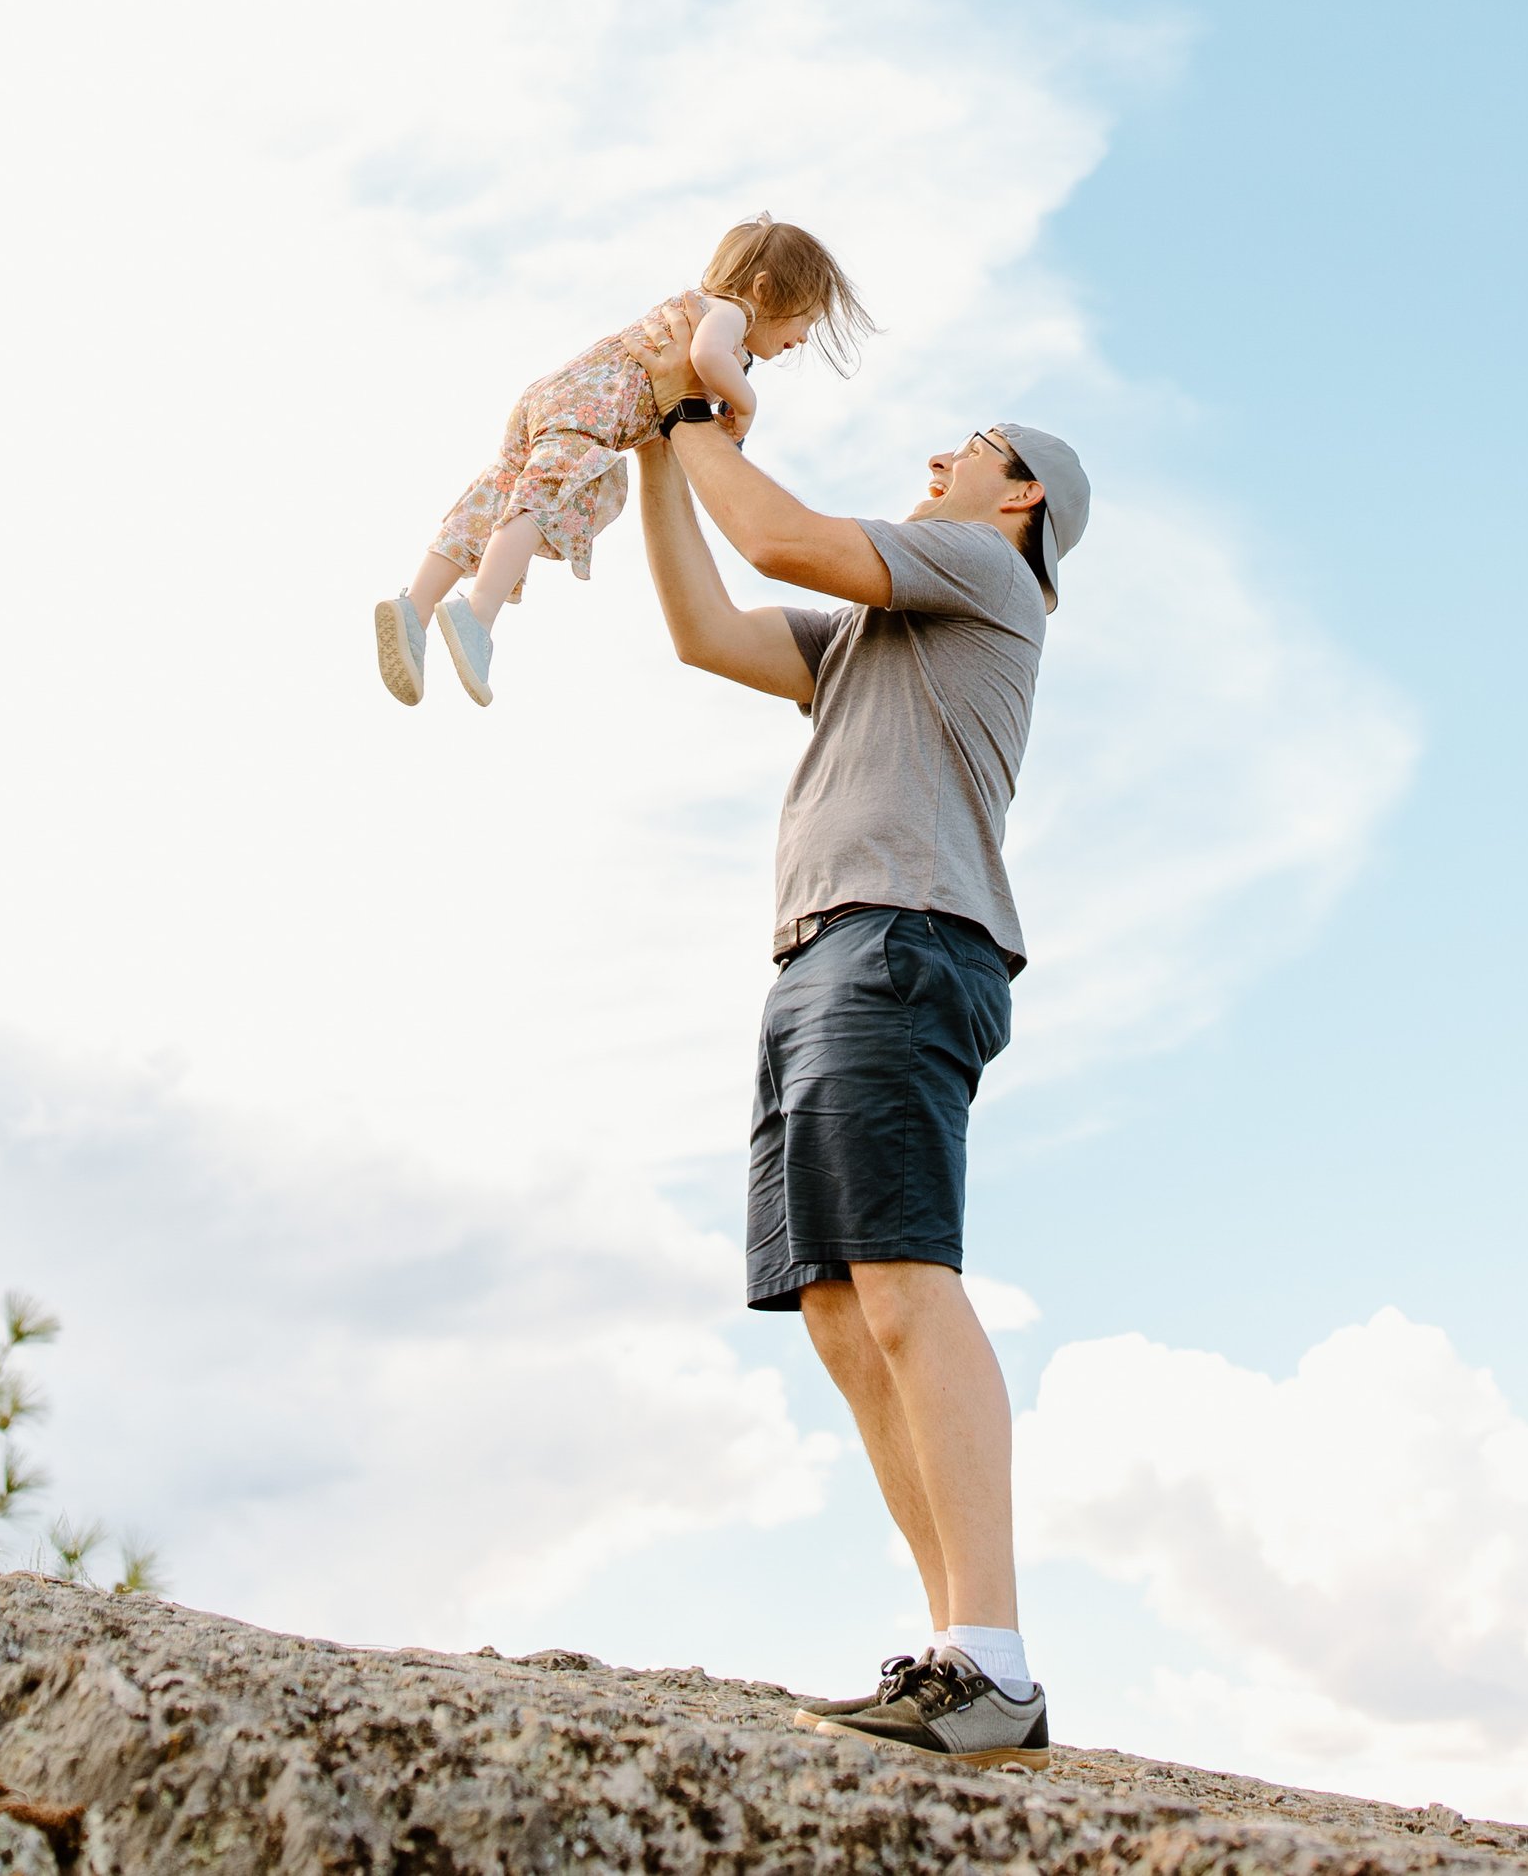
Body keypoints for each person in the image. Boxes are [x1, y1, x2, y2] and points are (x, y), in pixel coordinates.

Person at [631, 319, 1089, 1765]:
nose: (942, 452)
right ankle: (961, 1647)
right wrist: (660, 453)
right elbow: (708, 624)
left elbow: (773, 536)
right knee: (838, 1305)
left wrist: (701, 402)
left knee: (901, 1279)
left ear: (1020, 497)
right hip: (826, 953)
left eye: (973, 443)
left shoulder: (982, 568)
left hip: (902, 941)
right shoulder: (883, 630)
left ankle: (993, 1656)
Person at [374, 217, 871, 711]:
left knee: (494, 494)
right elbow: (707, 354)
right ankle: (478, 612)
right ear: (763, 290)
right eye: (806, 318)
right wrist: (746, 404)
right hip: (591, 411)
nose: (804, 337)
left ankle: (413, 608)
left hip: (555, 395)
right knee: (541, 504)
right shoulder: (729, 312)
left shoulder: (695, 309)